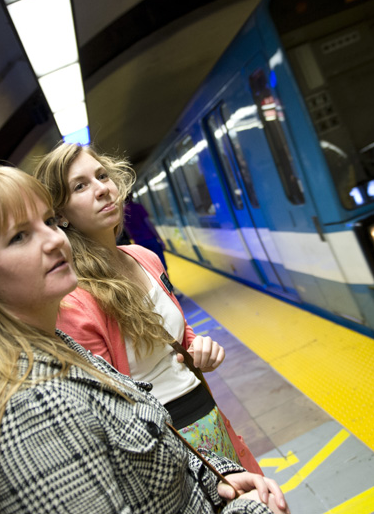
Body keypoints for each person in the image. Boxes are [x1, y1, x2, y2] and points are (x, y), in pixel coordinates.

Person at [0, 165, 288, 514]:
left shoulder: (61, 348)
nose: (53, 240)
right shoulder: (35, 411)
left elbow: (154, 467)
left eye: (48, 222)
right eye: (19, 236)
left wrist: (220, 481)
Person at [33, 144, 262, 474]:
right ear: (61, 215)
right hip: (166, 446)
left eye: (101, 176)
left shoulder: (144, 257)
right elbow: (109, 406)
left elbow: (178, 334)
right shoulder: (73, 300)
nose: (101, 189)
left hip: (209, 415)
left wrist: (198, 347)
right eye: (80, 186)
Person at [122, 193, 168, 269]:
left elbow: (127, 231)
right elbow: (148, 223)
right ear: (132, 196)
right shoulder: (138, 207)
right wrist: (160, 239)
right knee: (161, 264)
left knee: (150, 267)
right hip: (150, 238)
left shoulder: (124, 213)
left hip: (139, 243)